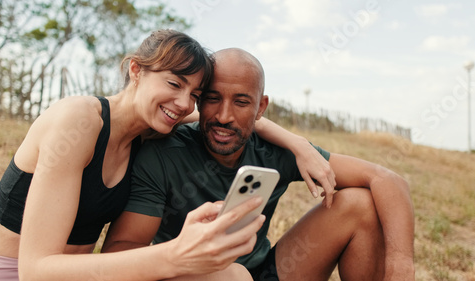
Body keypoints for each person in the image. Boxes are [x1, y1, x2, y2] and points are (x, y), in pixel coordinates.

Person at [0, 30, 284, 281]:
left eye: (194, 95)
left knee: (233, 276)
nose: (183, 103)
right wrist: (176, 254)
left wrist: (299, 146)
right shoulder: (79, 120)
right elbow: (35, 271)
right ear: (136, 70)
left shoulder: (150, 129)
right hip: (10, 275)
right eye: (174, 83)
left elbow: (227, 120)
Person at [102, 48, 416, 280]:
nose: (224, 116)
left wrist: (399, 267)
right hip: (190, 273)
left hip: (267, 271)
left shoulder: (275, 150)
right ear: (198, 101)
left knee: (359, 203)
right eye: (213, 99)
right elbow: (119, 252)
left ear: (260, 107)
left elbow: (387, 179)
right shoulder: (163, 153)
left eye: (241, 102)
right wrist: (183, 252)